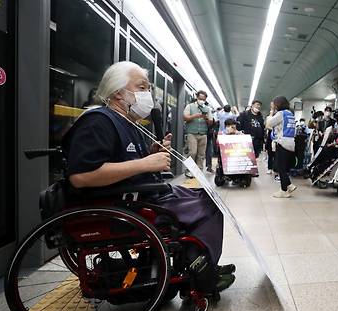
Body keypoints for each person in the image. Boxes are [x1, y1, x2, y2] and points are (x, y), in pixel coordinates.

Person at [62, 61, 235, 292]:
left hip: (141, 194)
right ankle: (203, 275)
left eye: (149, 89)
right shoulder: (98, 122)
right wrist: (144, 164)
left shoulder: (128, 122)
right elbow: (81, 177)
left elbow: (126, 162)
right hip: (127, 203)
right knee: (209, 207)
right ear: (117, 92)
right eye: (142, 87)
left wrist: (150, 155)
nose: (148, 94)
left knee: (207, 196)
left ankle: (203, 263)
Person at [266, 96, 297, 198]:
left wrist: (271, 114)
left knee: (280, 167)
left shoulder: (281, 113)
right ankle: (287, 187)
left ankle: (286, 188)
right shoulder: (290, 114)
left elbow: (269, 123)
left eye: (274, 104)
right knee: (284, 167)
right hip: (291, 142)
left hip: (282, 142)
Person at [183, 90, 213, 177]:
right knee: (192, 152)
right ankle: (189, 170)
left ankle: (199, 170)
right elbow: (185, 117)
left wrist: (207, 118)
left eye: (203, 99)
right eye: (200, 98)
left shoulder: (207, 109)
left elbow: (211, 122)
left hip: (203, 133)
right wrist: (195, 116)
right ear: (197, 97)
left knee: (201, 154)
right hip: (192, 133)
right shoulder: (190, 106)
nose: (202, 100)